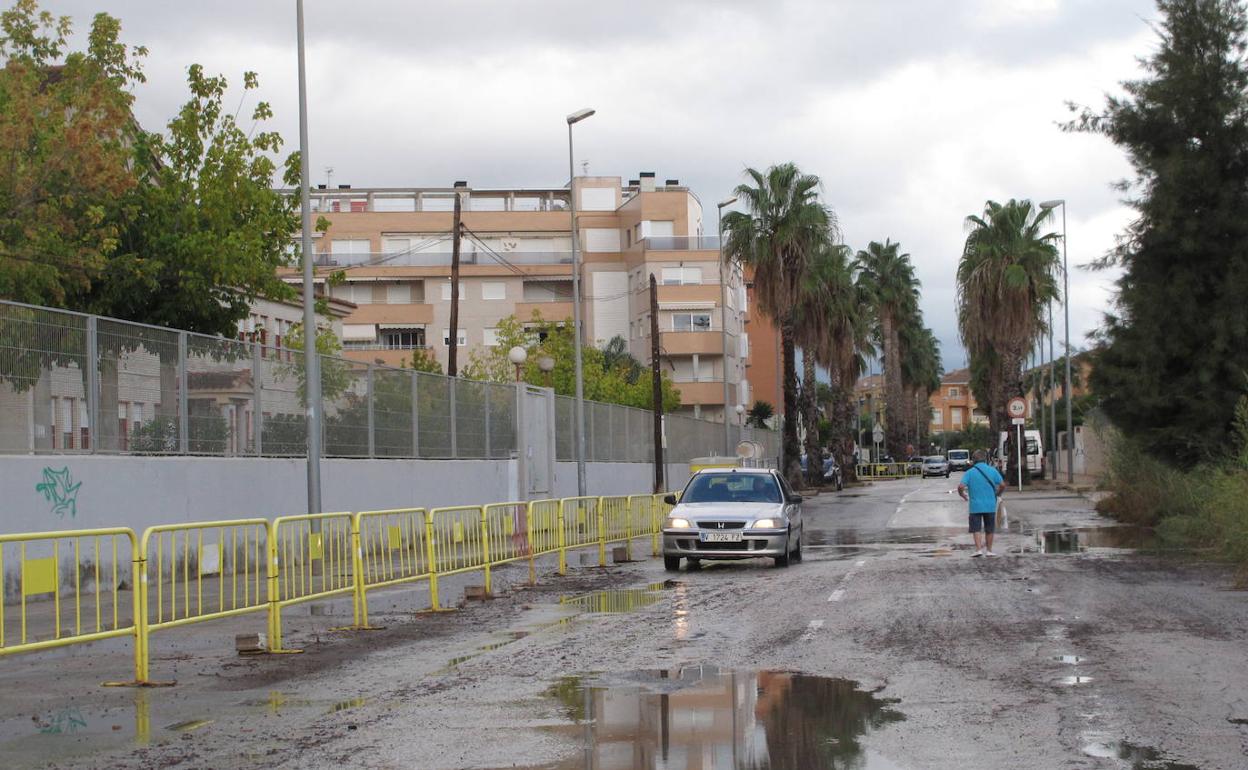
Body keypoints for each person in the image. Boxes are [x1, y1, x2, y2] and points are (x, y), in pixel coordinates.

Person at [957, 449, 1006, 557]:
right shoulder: (992, 471)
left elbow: (961, 486)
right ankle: (989, 550)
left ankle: (978, 549)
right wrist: (998, 493)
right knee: (989, 528)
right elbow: (1002, 485)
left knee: (976, 528)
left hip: (975, 506)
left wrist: (962, 495)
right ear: (985, 459)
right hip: (990, 505)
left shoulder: (969, 473)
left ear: (974, 460)